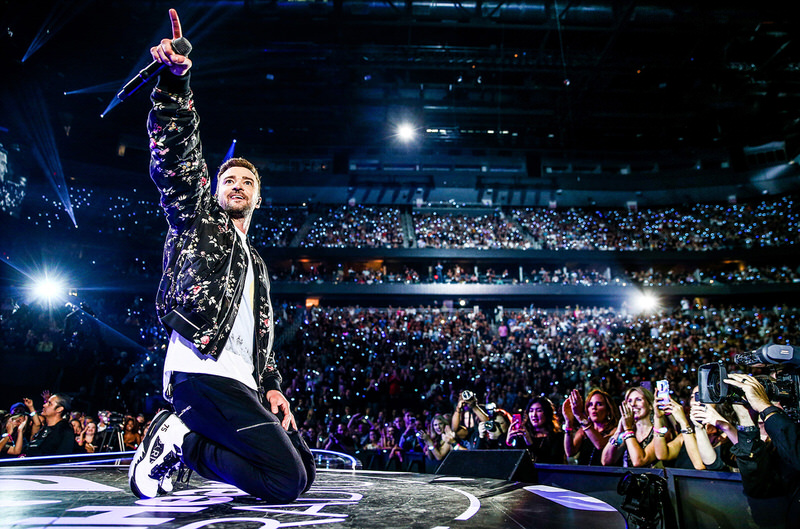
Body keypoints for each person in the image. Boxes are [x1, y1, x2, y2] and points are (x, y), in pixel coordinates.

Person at [128, 9, 314, 502]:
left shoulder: (257, 264)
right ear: (213, 190)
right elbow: (175, 159)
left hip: (244, 382)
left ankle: (193, 443)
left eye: (248, 182)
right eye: (228, 179)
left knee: (307, 470)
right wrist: (172, 87)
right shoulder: (198, 220)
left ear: (258, 198)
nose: (238, 185)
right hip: (201, 373)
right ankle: (182, 441)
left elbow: (264, 338)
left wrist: (271, 386)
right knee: (285, 482)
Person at [602, 386, 659, 467]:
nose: (633, 404)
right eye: (630, 401)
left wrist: (628, 429)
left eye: (638, 400)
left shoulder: (659, 432)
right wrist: (618, 431)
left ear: (650, 405)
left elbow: (639, 461)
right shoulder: (627, 433)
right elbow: (605, 461)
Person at [562, 388, 618, 465]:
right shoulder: (583, 431)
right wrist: (568, 422)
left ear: (608, 410)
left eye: (599, 404)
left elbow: (600, 444)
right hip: (584, 475)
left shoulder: (615, 431)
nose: (593, 407)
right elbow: (570, 452)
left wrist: (580, 416)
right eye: (590, 404)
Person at [506, 397, 565, 464]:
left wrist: (530, 443)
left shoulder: (558, 436)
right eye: (531, 411)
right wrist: (509, 442)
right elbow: (513, 461)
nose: (534, 415)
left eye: (539, 410)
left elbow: (553, 462)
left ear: (547, 413)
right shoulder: (522, 435)